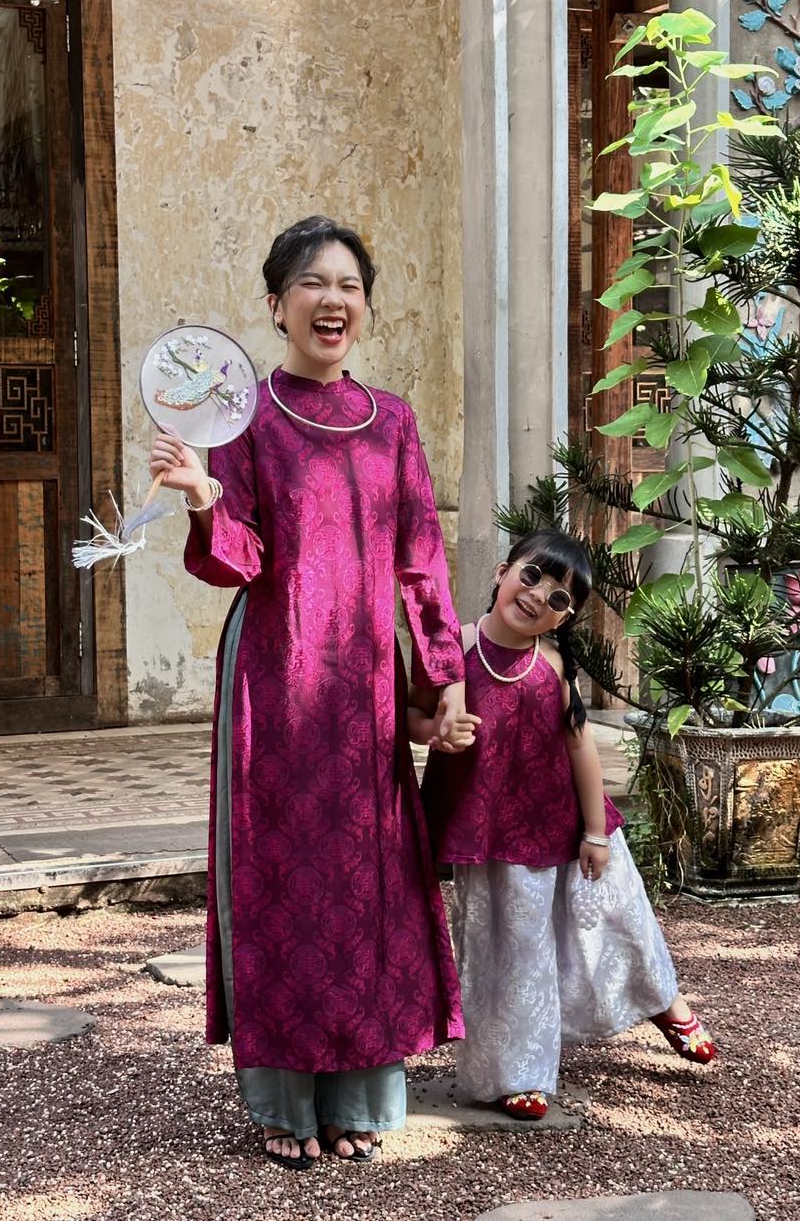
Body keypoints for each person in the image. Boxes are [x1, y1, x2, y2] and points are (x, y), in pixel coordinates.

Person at [150, 216, 474, 1169]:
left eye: (350, 285)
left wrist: (445, 678)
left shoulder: (394, 420)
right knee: (283, 879)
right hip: (277, 676)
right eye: (312, 283)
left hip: (365, 686)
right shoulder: (246, 417)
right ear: (276, 305)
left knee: (368, 880)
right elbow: (240, 558)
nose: (333, 300)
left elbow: (422, 562)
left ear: (365, 306)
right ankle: (287, 1104)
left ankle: (362, 1094)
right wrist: (208, 499)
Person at [411, 527, 716, 1121]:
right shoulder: (454, 649)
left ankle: (666, 1003)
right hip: (496, 834)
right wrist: (435, 734)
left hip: (572, 822)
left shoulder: (551, 665)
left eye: (558, 597)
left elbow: (581, 750)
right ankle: (518, 1070)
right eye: (531, 576)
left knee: (623, 916)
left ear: (563, 619)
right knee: (513, 945)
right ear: (502, 572)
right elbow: (412, 715)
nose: (537, 596)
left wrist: (597, 831)